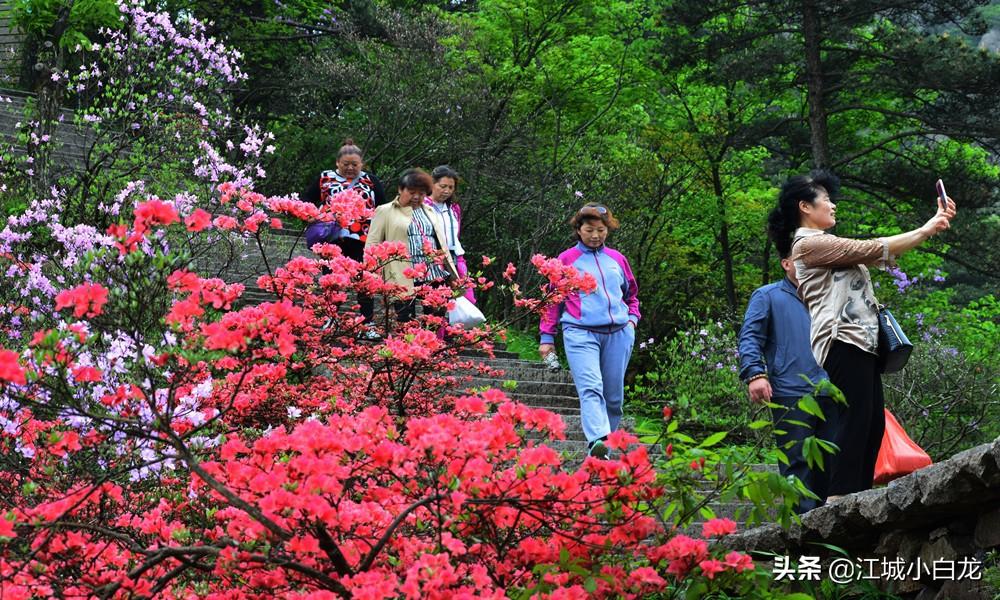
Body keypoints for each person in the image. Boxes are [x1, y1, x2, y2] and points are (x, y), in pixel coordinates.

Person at [768, 171, 956, 499]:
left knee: (872, 424)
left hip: (862, 341)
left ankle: (856, 494)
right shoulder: (808, 244)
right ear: (805, 207)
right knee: (854, 419)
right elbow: (873, 248)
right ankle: (840, 498)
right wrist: (927, 227)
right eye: (826, 199)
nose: (833, 205)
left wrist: (931, 227)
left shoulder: (823, 244)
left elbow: (883, 252)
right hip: (841, 339)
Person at [538, 203, 640, 459]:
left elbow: (632, 295)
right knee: (591, 387)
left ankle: (604, 449)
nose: (595, 235)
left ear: (608, 230)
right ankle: (597, 439)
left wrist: (632, 321)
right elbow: (553, 300)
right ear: (578, 229)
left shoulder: (618, 259)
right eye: (589, 229)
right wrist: (547, 337)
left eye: (601, 230)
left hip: (618, 333)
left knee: (614, 398)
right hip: (580, 332)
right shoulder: (566, 259)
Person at [738, 251, 833, 513]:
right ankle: (802, 532)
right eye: (802, 258)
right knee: (796, 463)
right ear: (786, 263)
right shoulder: (767, 296)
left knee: (830, 462)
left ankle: (830, 528)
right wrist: (755, 373)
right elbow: (750, 338)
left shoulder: (828, 296)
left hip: (831, 390)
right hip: (790, 390)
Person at [302, 139, 386, 327]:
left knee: (364, 281)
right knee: (331, 280)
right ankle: (330, 319)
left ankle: (367, 323)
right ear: (337, 163)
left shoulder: (370, 181)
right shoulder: (325, 178)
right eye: (346, 164)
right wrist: (313, 215)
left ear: (361, 164)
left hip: (362, 239)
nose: (350, 168)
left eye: (354, 164)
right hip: (332, 239)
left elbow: (383, 207)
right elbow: (307, 200)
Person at [365, 168, 458, 324]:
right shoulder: (385, 211)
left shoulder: (429, 210)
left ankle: (430, 348)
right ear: (401, 189)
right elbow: (372, 244)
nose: (416, 197)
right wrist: (371, 272)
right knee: (405, 318)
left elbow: (439, 241)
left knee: (435, 318)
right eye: (412, 192)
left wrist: (449, 270)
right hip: (402, 272)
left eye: (421, 194)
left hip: (432, 272)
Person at [426, 165, 475, 304]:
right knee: (439, 301)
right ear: (432, 184)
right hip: (434, 259)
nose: (447, 191)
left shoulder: (454, 208)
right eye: (443, 186)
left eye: (451, 187)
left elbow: (456, 232)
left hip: (455, 257)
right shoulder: (423, 205)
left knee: (466, 297)